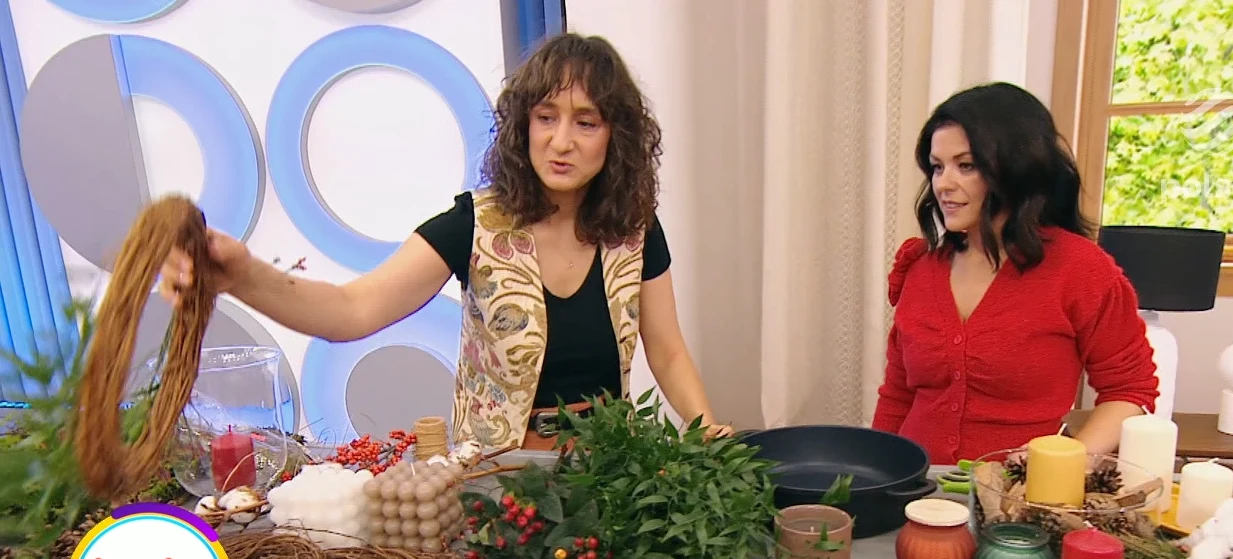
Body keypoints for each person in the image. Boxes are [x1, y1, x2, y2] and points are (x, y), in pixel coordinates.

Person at [158, 33, 730, 451]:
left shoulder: (635, 229)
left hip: (612, 473)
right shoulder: (473, 225)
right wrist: (243, 275)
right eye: (545, 117)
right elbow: (350, 311)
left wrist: (708, 433)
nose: (561, 141)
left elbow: (667, 350)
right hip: (502, 482)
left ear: (615, 136)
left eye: (586, 122)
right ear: (523, 126)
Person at [870, 82, 1158, 465]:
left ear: (1015, 169)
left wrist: (1067, 458)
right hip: (915, 487)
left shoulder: (1079, 269)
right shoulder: (920, 269)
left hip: (1022, 491)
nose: (943, 184)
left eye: (966, 166)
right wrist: (873, 476)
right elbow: (897, 395)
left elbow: (1130, 390)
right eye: (937, 167)